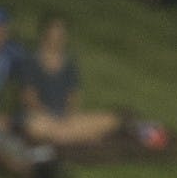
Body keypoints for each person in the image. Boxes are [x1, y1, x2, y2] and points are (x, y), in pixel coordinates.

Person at [17, 13, 120, 148]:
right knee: (35, 127)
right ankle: (80, 137)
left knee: (111, 120)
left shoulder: (69, 64)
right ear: (45, 34)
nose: (59, 37)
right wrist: (50, 117)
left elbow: (73, 96)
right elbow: (29, 98)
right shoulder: (31, 61)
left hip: (65, 118)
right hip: (40, 117)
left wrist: (68, 116)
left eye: (62, 33)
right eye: (55, 32)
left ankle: (69, 136)